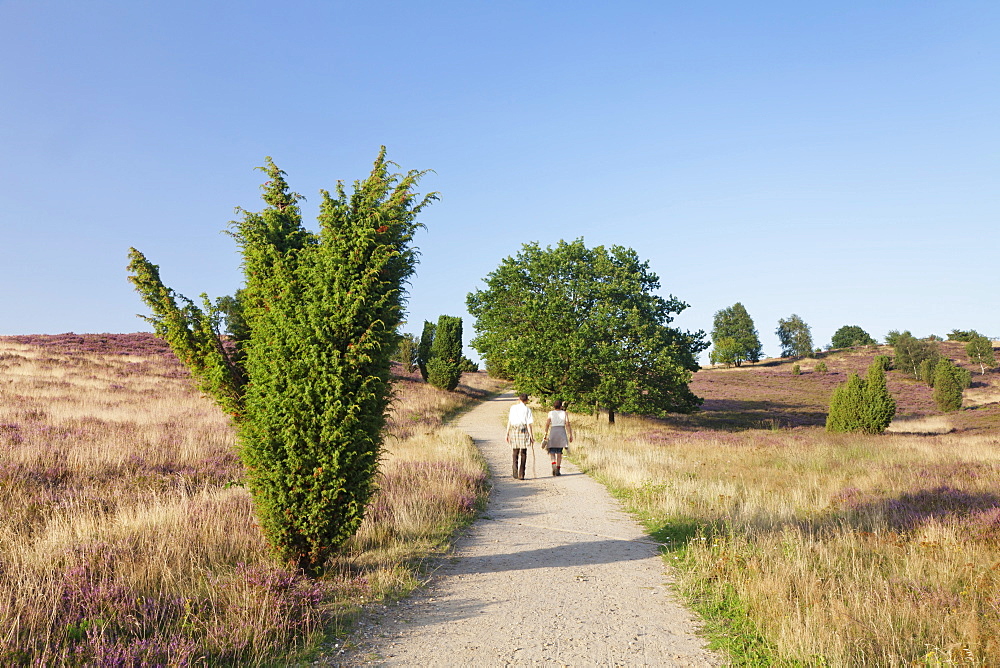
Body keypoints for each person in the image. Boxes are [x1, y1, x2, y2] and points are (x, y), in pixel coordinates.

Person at [506, 393, 534, 480]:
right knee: (523, 452)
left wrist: (507, 433)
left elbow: (510, 421)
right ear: (527, 400)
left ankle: (514, 468)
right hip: (524, 430)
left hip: (514, 429)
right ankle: (521, 474)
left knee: (515, 451)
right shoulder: (528, 410)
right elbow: (529, 425)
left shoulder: (513, 408)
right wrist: (531, 436)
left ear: (519, 399)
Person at [543, 399, 572, 476]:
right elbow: (567, 424)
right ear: (561, 406)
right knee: (559, 452)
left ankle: (553, 464)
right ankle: (558, 468)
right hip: (561, 431)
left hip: (553, 431)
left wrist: (545, 433)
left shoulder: (551, 413)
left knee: (552, 451)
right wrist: (570, 434)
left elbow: (547, 423)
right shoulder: (564, 413)